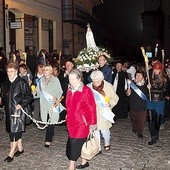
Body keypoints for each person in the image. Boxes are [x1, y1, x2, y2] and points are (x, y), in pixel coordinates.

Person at [0, 63, 33, 162]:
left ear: (16, 72)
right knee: (13, 130)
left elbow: (29, 96)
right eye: (8, 71)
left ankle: (11, 154)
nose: (9, 73)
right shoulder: (5, 84)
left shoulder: (22, 82)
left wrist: (22, 104)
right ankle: (20, 148)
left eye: (12, 71)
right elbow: (3, 95)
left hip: (18, 113)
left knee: (14, 133)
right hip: (9, 112)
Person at [66, 68, 97, 170]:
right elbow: (69, 105)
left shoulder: (86, 91)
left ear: (79, 79)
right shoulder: (69, 90)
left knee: (75, 142)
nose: (71, 82)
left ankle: (71, 165)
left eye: (73, 79)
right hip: (71, 121)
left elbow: (91, 108)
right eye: (70, 79)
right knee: (79, 142)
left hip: (82, 122)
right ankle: (84, 161)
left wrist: (92, 124)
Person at [88, 70, 119, 152]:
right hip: (93, 113)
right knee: (95, 130)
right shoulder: (88, 87)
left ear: (102, 79)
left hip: (104, 112)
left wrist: (110, 104)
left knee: (105, 131)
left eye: (98, 81)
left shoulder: (108, 86)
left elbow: (115, 98)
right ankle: (98, 147)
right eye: (94, 81)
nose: (96, 83)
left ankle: (107, 142)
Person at [33, 65, 63, 147]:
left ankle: (48, 139)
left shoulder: (55, 80)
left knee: (52, 121)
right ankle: (50, 136)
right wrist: (34, 93)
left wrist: (56, 97)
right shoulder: (40, 81)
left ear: (50, 71)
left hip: (53, 103)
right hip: (44, 104)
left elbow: (60, 91)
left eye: (46, 70)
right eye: (44, 70)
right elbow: (38, 94)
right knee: (46, 120)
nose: (45, 71)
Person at [147, 62, 168, 145]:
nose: (156, 71)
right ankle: (153, 136)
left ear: (161, 70)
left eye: (158, 69)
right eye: (155, 69)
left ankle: (157, 132)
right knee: (150, 120)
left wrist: (151, 88)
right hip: (150, 101)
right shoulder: (150, 77)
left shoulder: (165, 79)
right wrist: (147, 86)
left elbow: (164, 91)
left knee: (157, 120)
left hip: (159, 101)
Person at [126, 70, 148, 138]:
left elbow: (149, 96)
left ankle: (140, 132)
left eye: (140, 75)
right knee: (134, 119)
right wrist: (128, 92)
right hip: (133, 104)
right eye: (137, 75)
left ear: (143, 77)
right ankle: (135, 128)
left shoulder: (147, 85)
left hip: (142, 105)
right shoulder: (131, 84)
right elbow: (127, 94)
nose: (138, 77)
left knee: (141, 120)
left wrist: (150, 89)